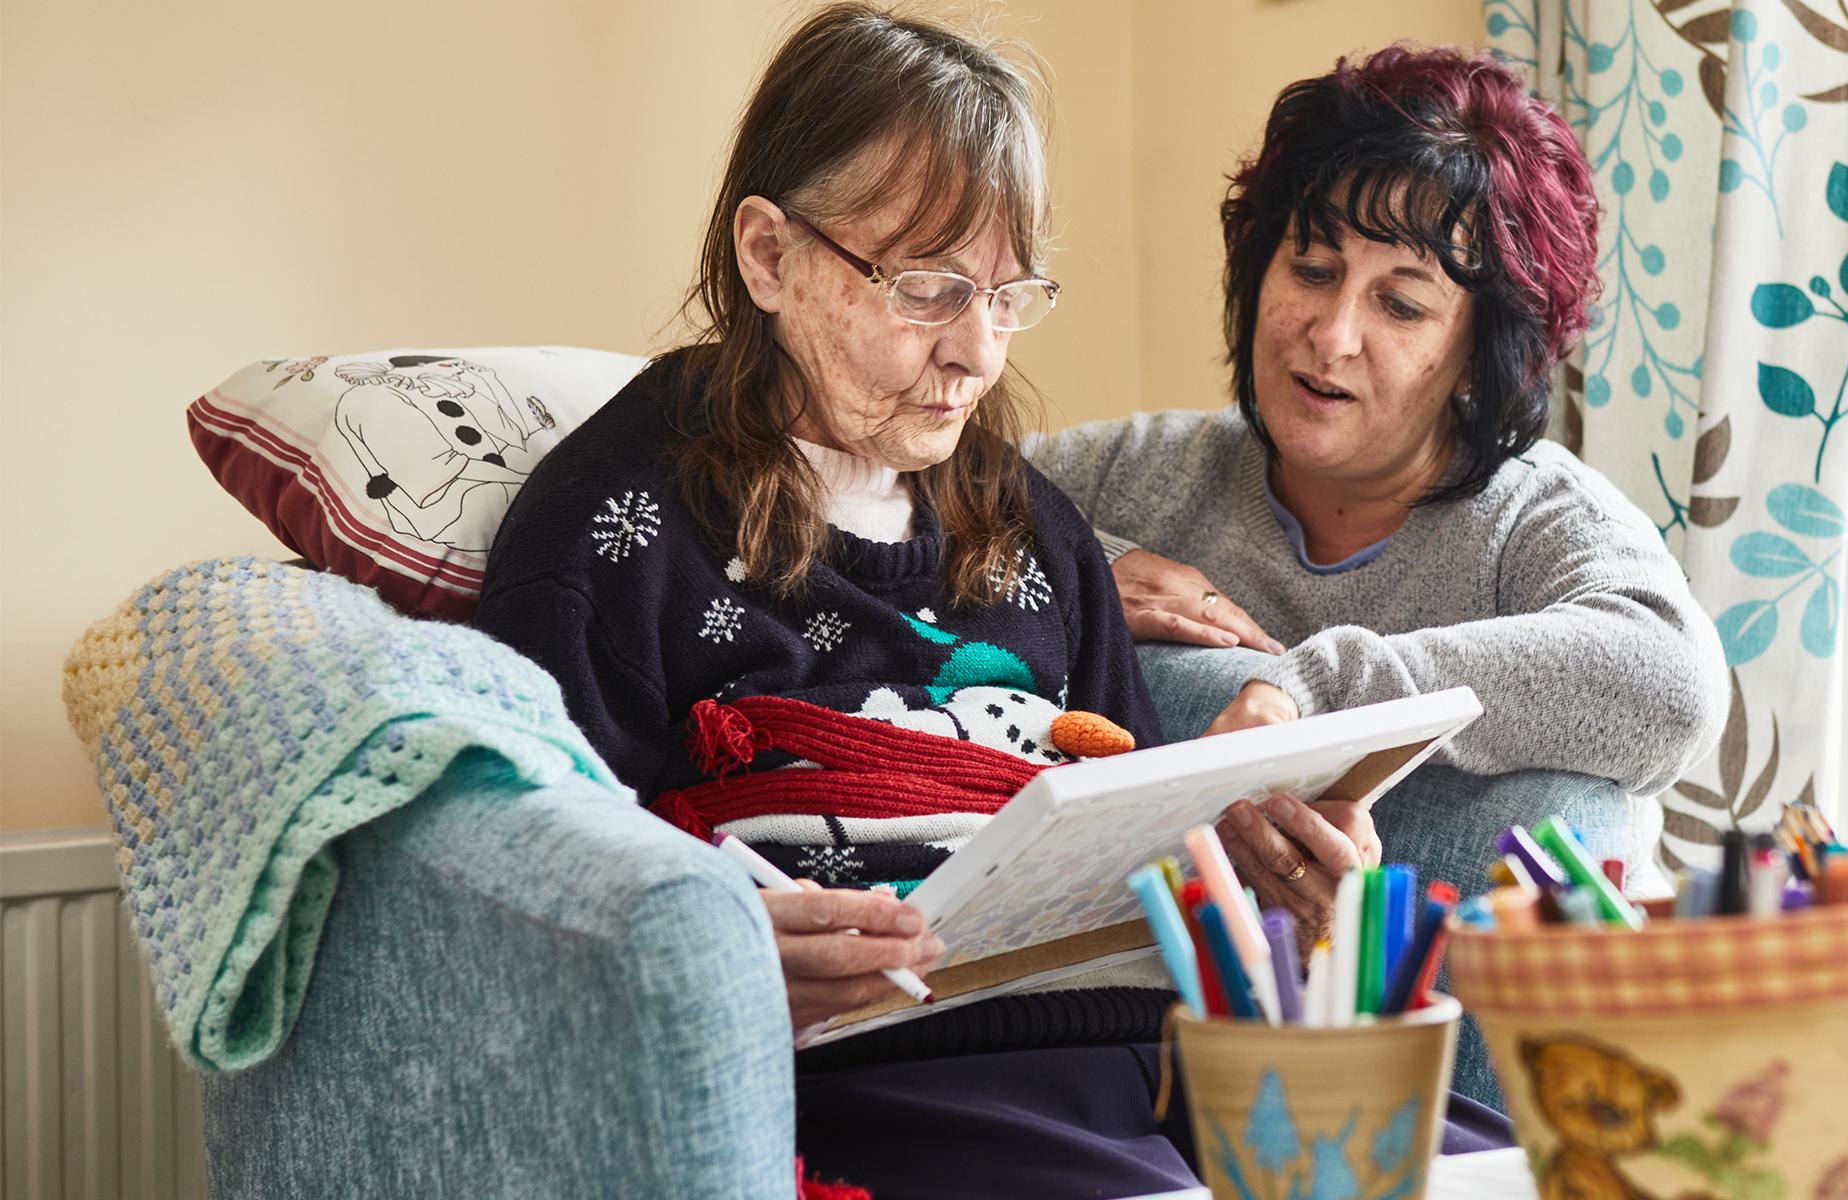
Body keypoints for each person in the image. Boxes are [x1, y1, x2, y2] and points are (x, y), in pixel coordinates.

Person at [475, 8, 1504, 1193]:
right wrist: (713, 952)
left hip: (1171, 1060)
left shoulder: (1035, 531)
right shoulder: (616, 528)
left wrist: (1285, 899)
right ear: (769, 256)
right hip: (900, 1088)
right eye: (928, 289)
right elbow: (526, 878)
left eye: (1009, 295)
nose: (977, 350)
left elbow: (1155, 841)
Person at [1024, 44, 1731, 1103]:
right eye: (1310, 268)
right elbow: (913, 511)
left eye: (1401, 305)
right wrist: (1086, 568)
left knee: (1557, 810)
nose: (1331, 332)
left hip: (1472, 1050)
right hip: (1166, 1041)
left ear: (1475, 354)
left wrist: (1309, 700)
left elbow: (1670, 686)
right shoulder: (1137, 473)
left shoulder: (1536, 517)